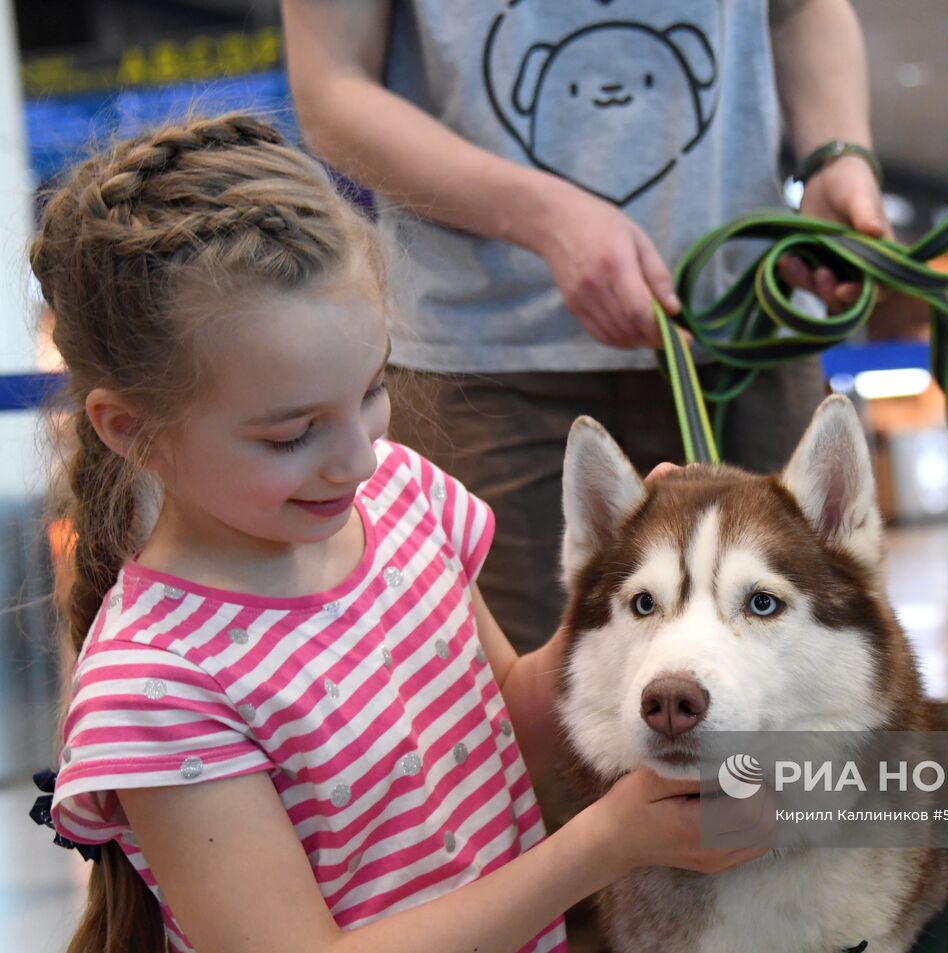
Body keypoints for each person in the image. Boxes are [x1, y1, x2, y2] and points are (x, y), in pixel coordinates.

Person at [34, 114, 770, 953]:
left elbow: (507, 717)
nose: (354, 458)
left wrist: (626, 597)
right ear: (131, 428)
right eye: (290, 435)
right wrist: (603, 843)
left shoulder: (401, 494)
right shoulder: (157, 686)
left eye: (373, 388)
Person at [279, 0, 889, 653]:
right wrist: (542, 216)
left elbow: (800, 9)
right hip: (487, 364)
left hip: (745, 337)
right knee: (546, 713)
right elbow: (331, 85)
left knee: (806, 677)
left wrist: (836, 154)